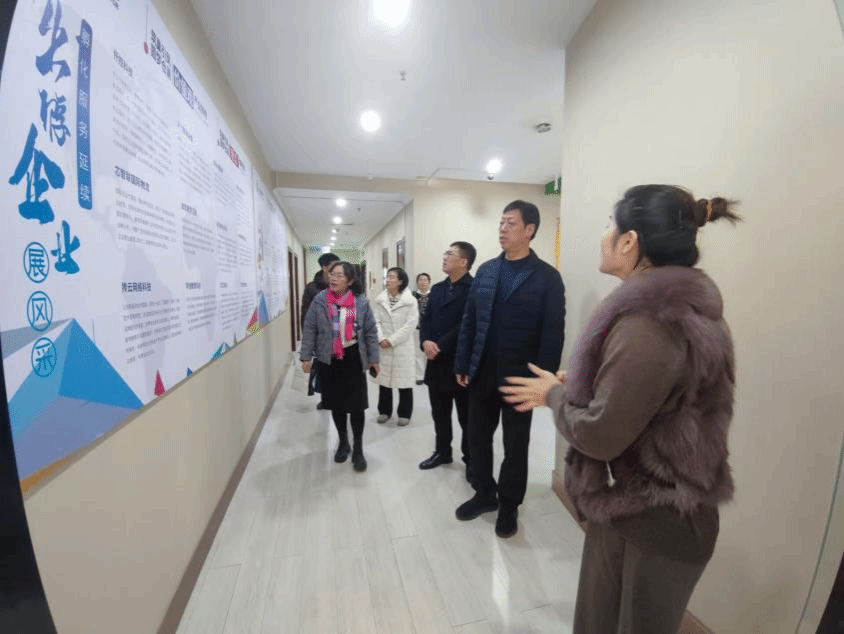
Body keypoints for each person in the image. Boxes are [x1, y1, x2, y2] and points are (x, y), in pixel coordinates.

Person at [500, 185, 741, 634]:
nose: (603, 234)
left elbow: (600, 435)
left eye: (608, 225)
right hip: (643, 509)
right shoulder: (677, 311)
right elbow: (658, 398)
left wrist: (552, 395)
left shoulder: (650, 322)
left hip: (656, 521)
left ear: (629, 241)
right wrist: (591, 383)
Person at [453, 200, 565, 538]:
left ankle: (509, 504)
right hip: (482, 371)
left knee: (516, 444)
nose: (502, 229)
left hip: (521, 378)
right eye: (501, 222)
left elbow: (552, 333)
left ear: (530, 230)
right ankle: (484, 493)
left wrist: (543, 382)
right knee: (477, 437)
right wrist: (462, 362)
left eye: (511, 223)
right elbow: (469, 321)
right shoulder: (487, 270)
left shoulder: (547, 277)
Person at [300, 261, 380, 472]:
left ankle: (358, 448)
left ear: (350, 281)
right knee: (336, 404)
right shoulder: (320, 300)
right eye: (332, 274)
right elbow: (310, 328)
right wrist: (306, 356)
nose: (333, 278)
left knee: (357, 406)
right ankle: (343, 443)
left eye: (339, 275)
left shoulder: (360, 302)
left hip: (354, 358)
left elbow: (370, 331)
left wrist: (374, 359)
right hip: (329, 359)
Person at [418, 242, 476, 477]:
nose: (444, 257)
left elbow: (467, 324)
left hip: (459, 363)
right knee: (439, 412)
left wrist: (439, 344)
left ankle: (471, 459)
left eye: (450, 254)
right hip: (436, 362)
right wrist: (425, 341)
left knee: (466, 416)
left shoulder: (474, 289)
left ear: (464, 261)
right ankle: (442, 452)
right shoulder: (438, 288)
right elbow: (426, 319)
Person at [372, 267, 418, 426]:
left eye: (392, 277)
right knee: (384, 381)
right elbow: (375, 321)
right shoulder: (380, 300)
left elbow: (410, 325)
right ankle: (384, 411)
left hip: (401, 346)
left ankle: (404, 413)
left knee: (404, 382)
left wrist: (391, 340)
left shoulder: (410, 301)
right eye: (388, 277)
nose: (388, 280)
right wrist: (381, 338)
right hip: (383, 345)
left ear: (400, 281)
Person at [301, 252, 340, 409]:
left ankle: (338, 397)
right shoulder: (312, 288)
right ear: (324, 268)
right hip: (321, 336)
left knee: (339, 368)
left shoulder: (341, 284)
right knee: (324, 369)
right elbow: (306, 316)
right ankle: (326, 398)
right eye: (333, 266)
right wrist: (308, 344)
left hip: (340, 334)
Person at [412, 273, 431, 385]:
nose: (423, 282)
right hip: (416, 328)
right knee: (418, 353)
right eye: (421, 280)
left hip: (430, 329)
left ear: (429, 282)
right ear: (417, 282)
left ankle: (428, 375)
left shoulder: (433, 295)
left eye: (425, 280)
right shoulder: (412, 296)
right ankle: (419, 376)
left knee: (429, 352)